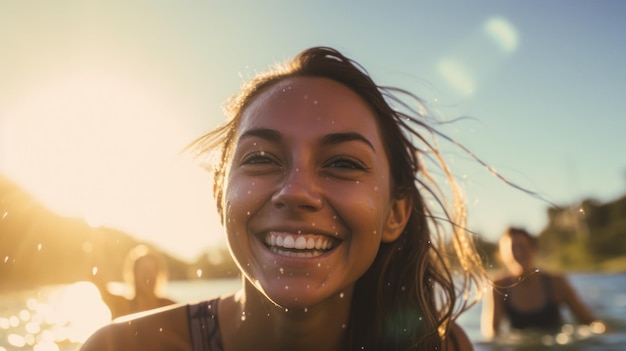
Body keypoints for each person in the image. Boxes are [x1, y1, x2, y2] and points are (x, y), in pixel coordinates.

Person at [81, 46, 486, 350]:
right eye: (260, 159)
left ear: (395, 214)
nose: (296, 191)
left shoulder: (437, 346)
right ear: (220, 194)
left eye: (343, 164)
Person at [481, 226, 606, 339]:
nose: (518, 253)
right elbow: (492, 335)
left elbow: (588, 321)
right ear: (502, 255)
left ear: (533, 249)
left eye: (522, 247)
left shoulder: (556, 282)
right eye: (512, 248)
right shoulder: (499, 287)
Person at [91, 244, 176, 320]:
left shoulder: (170, 307)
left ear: (158, 275)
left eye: (151, 271)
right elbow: (99, 283)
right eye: (144, 271)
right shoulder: (122, 305)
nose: (148, 277)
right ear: (134, 275)